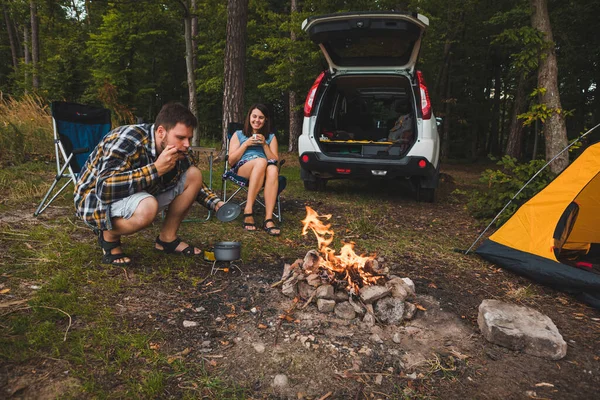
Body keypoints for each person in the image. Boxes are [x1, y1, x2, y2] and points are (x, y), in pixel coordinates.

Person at [74, 102, 224, 266]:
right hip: (95, 201)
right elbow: (104, 188)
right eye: (181, 138)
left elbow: (193, 182)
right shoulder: (127, 140)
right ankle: (108, 236)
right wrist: (156, 169)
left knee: (194, 174)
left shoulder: (178, 150)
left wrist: (216, 204)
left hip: (139, 195)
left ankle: (166, 239)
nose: (187, 144)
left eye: (189, 138)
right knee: (148, 206)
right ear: (161, 132)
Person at [225, 103, 281, 236]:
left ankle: (268, 219)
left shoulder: (271, 137)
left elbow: (274, 160)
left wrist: (265, 145)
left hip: (264, 170)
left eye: (261, 117)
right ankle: (248, 210)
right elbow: (231, 161)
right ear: (249, 117)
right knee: (261, 162)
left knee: (272, 169)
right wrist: (246, 144)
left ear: (265, 120)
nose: (257, 120)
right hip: (243, 168)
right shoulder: (238, 134)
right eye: (254, 116)